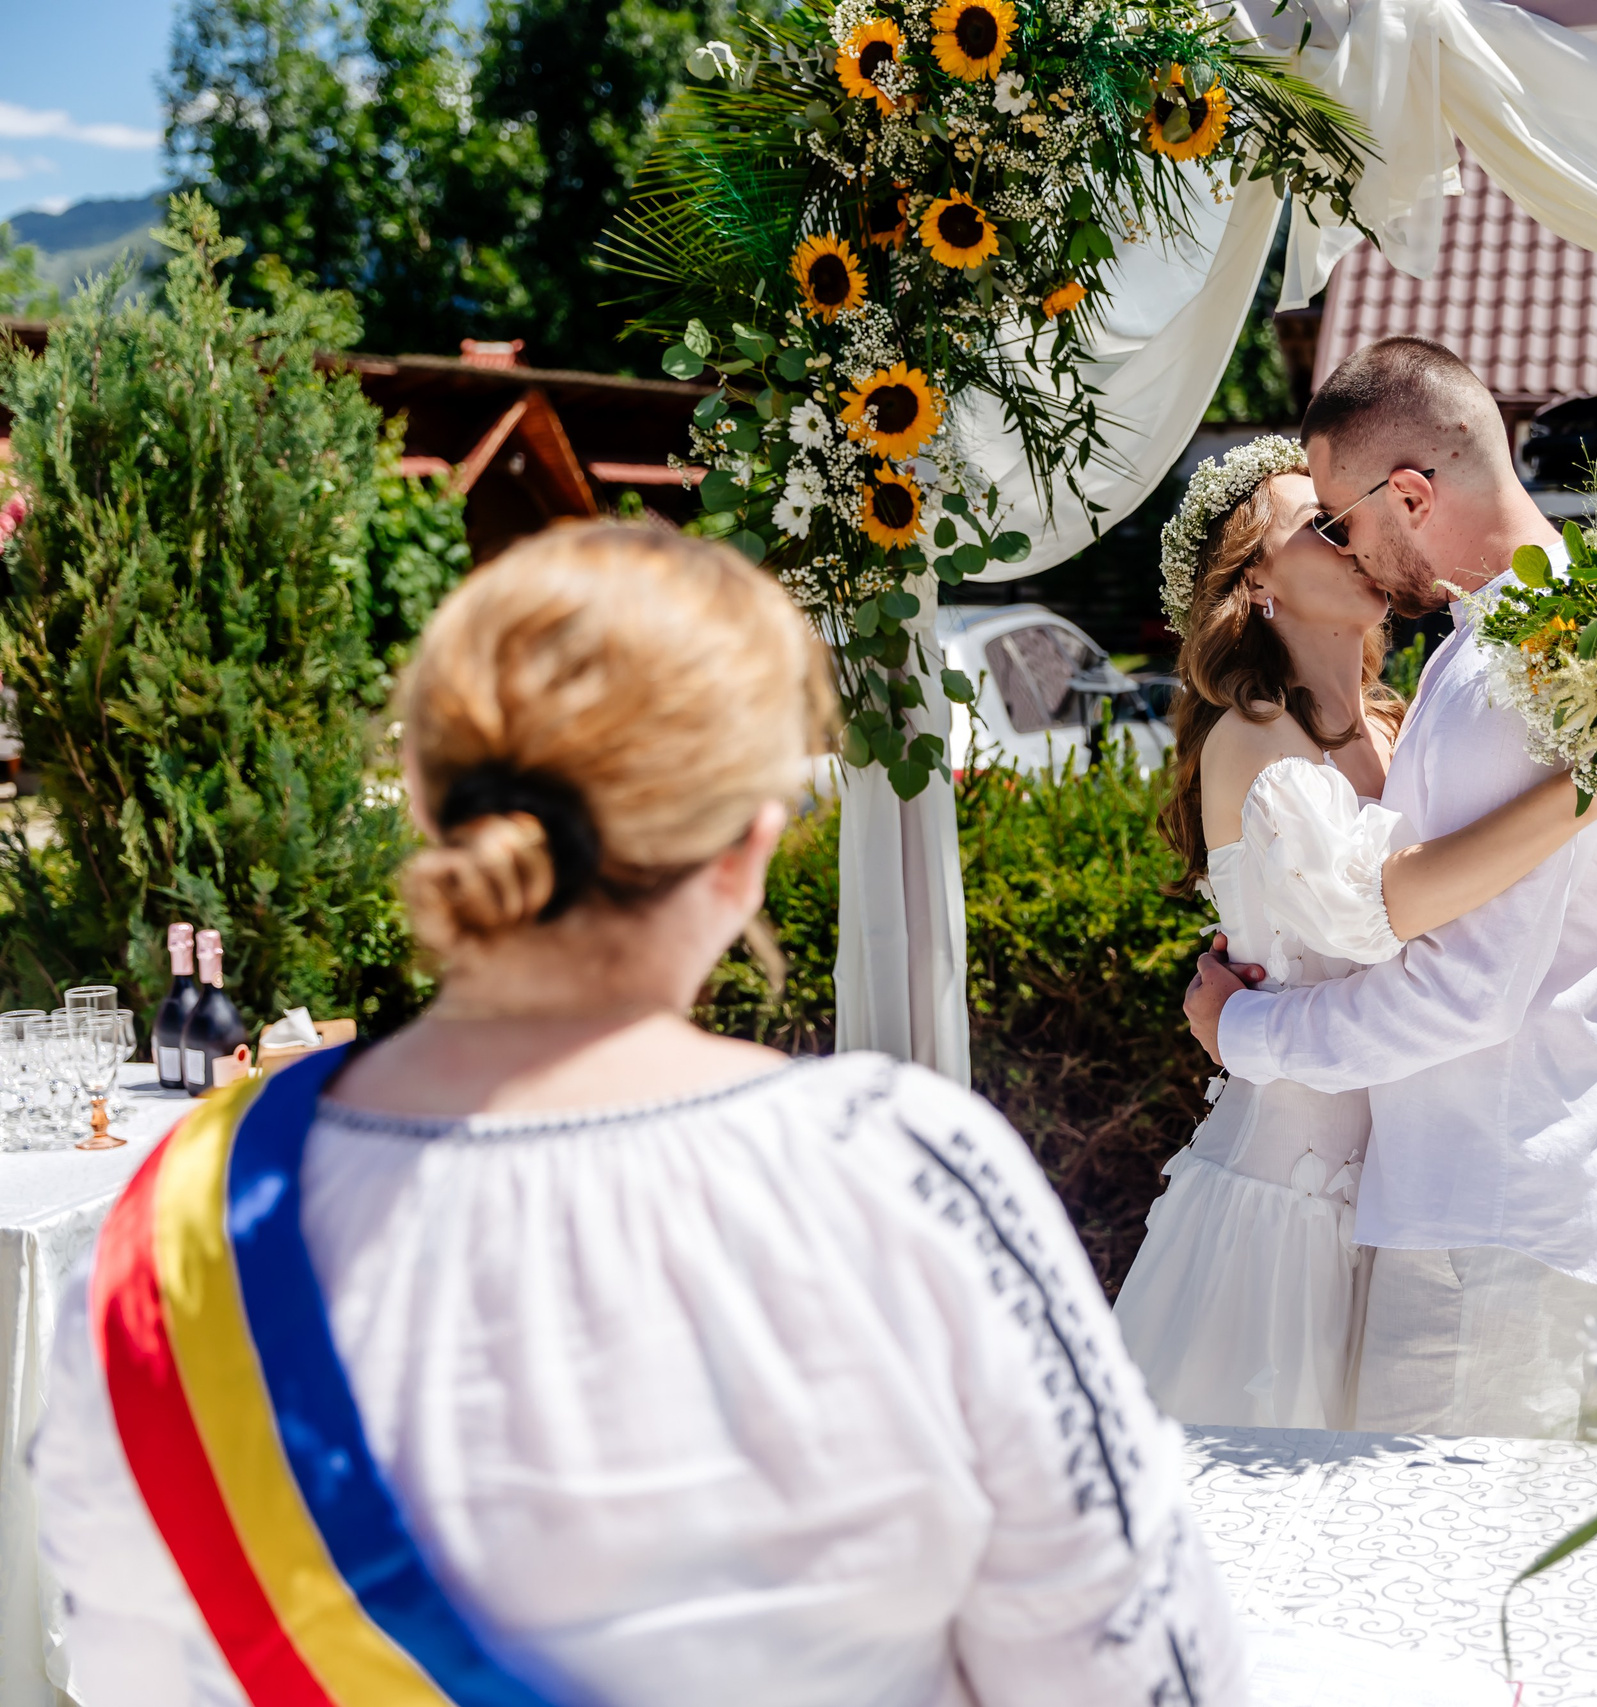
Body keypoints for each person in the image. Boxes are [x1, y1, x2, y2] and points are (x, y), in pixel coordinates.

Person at [36, 524, 1244, 1707]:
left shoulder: (196, 1212)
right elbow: (1140, 1670)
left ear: (427, 798)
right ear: (749, 845)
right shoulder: (903, 1176)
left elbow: (120, 1663)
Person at [1116, 434, 1597, 1433]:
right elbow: (1378, 908)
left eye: (1354, 513)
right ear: (1255, 577)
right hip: (1290, 1199)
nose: (1358, 539)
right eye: (1325, 524)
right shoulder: (1250, 738)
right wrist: (1593, 792)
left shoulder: (1402, 725)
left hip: (1411, 1187)